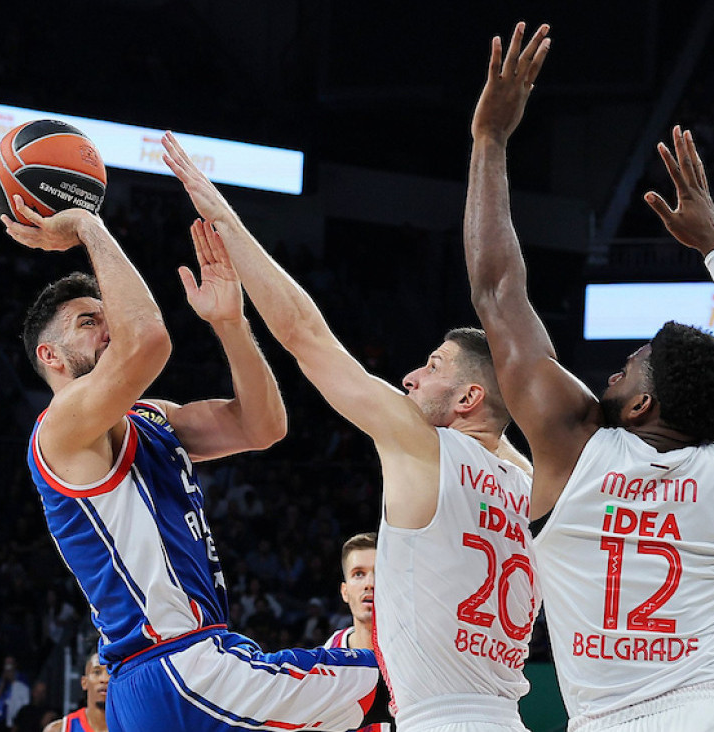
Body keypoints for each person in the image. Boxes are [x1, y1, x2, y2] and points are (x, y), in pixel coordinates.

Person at [464, 22, 714, 732]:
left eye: (626, 370)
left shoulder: (573, 442)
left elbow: (497, 291)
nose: (611, 374)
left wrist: (489, 140)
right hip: (711, 716)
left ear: (643, 403)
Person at [162, 132, 539, 732]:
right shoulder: (530, 484)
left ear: (469, 399)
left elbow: (306, 336)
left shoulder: (425, 447)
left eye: (433, 367)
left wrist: (224, 217)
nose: (411, 376)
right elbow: (501, 424)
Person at [3, 196, 378, 732]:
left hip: (162, 680)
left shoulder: (151, 417)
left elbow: (262, 426)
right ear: (51, 356)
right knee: (394, 679)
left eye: (108, 317)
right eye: (89, 322)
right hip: (179, 666)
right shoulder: (59, 428)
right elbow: (148, 340)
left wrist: (230, 323)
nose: (109, 328)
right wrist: (88, 225)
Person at [324, 533, 394, 731]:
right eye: (359, 574)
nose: (369, 583)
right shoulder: (329, 655)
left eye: (379, 571)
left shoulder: (417, 654)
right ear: (345, 592)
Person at [43, 652, 109, 732]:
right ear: (84, 682)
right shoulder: (58, 729)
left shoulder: (124, 726)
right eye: (97, 672)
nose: (104, 679)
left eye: (110, 672)